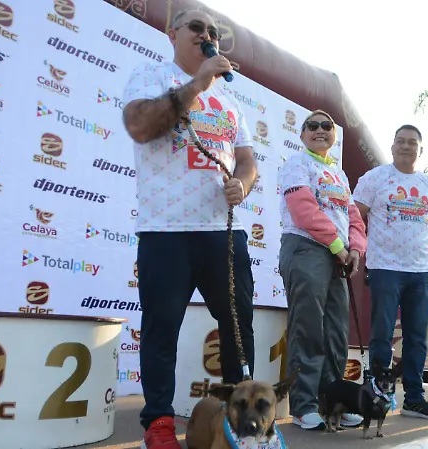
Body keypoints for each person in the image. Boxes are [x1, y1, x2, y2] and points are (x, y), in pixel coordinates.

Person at [121, 9, 257, 449]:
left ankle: (244, 420)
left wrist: (244, 183)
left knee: (238, 327)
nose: (206, 35)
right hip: (166, 230)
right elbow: (140, 126)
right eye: (197, 27)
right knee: (162, 328)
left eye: (213, 31)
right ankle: (159, 424)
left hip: (223, 231)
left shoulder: (233, 104)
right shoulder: (150, 76)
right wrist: (198, 83)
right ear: (172, 33)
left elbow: (248, 160)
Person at [277, 109, 367, 430]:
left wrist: (355, 249)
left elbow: (354, 219)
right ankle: (303, 406)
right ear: (302, 134)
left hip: (337, 256)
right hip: (306, 249)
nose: (319, 130)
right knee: (309, 330)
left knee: (336, 335)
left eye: (326, 126)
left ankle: (334, 404)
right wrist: (338, 246)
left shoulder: (339, 175)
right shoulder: (296, 164)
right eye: (311, 125)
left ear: (334, 135)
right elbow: (303, 210)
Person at [353, 125, 428, 420]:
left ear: (420, 150)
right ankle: (378, 396)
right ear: (392, 146)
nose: (406, 147)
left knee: (417, 337)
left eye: (412, 143)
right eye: (401, 142)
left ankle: (415, 399)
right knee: (381, 334)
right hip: (385, 267)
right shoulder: (375, 178)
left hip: (419, 271)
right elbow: (356, 216)